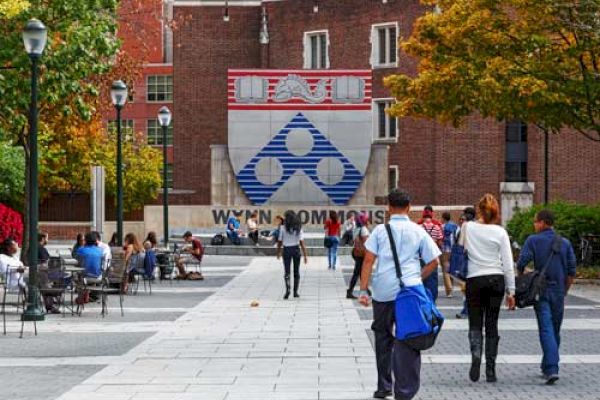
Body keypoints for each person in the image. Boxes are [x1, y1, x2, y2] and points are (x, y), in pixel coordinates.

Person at [358, 189, 441, 400]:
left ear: (388, 207)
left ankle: (384, 386)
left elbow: (368, 260)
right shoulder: (418, 230)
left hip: (384, 292)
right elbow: (434, 261)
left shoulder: (379, 231)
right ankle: (405, 391)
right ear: (409, 207)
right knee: (410, 337)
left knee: (383, 337)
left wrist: (363, 289)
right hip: (411, 292)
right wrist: (416, 278)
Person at [516, 210, 577, 385]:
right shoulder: (564, 243)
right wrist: (565, 290)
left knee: (546, 328)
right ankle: (548, 365)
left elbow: (521, 262)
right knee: (555, 329)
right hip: (558, 291)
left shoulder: (532, 240)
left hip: (540, 291)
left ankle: (551, 368)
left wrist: (523, 277)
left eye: (535, 222)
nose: (534, 225)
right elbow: (571, 270)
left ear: (543, 222)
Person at [460, 194, 515, 383]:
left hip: (474, 279)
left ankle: (476, 356)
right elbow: (508, 263)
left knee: (475, 322)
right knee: (492, 323)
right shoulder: (500, 232)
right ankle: (491, 370)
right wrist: (511, 291)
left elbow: (462, 249)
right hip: (496, 279)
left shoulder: (468, 227)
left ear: (479, 209)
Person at [277, 211, 308, 299]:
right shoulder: (298, 228)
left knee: (287, 271)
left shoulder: (283, 228)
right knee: (296, 271)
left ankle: (288, 289)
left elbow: (280, 241)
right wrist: (305, 255)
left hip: (286, 250)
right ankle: (295, 292)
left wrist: (278, 252)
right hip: (296, 250)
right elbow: (302, 243)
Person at [419, 209, 444, 302]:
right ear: (431, 217)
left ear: (423, 217)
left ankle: (423, 298)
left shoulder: (419, 227)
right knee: (433, 279)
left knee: (423, 277)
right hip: (433, 256)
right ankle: (432, 298)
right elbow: (440, 242)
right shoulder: (437, 227)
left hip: (422, 257)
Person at [456, 208, 475, 319]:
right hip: (478, 258)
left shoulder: (465, 225)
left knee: (466, 286)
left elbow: (461, 243)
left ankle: (466, 310)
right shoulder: (479, 225)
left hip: (467, 257)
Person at [347, 212, 370, 299]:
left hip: (356, 253)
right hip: (362, 254)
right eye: (367, 218)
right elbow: (366, 243)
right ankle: (350, 291)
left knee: (360, 272)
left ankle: (366, 289)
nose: (368, 220)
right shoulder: (364, 229)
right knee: (357, 273)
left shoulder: (356, 228)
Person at [441, 212, 459, 297]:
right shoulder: (455, 226)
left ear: (443, 218)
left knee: (445, 269)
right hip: (454, 249)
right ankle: (451, 288)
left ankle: (449, 291)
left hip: (445, 249)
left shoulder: (443, 227)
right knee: (451, 268)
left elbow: (440, 238)